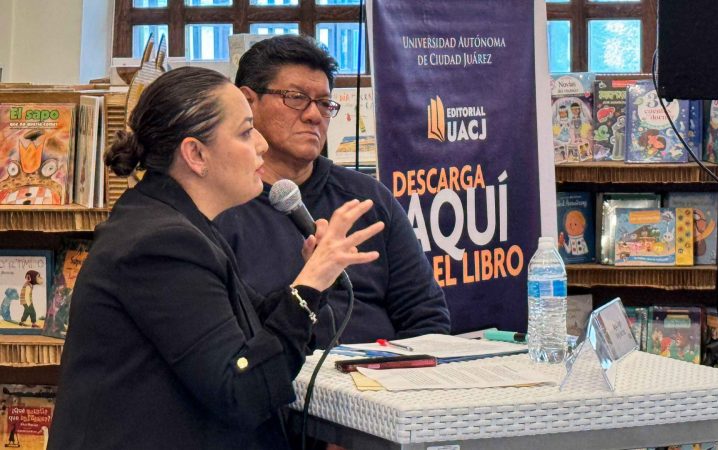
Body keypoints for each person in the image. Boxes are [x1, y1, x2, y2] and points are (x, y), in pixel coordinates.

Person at [48, 66, 384, 449]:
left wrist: (313, 277)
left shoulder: (180, 222)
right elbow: (240, 390)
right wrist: (310, 285)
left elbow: (252, 324)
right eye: (245, 132)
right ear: (195, 154)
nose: (261, 144)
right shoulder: (160, 243)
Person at [215, 35, 450, 348]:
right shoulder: (220, 207)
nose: (314, 115)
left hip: (384, 371)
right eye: (296, 98)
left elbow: (427, 318)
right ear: (248, 102)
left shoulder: (366, 198)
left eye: (324, 104)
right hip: (279, 372)